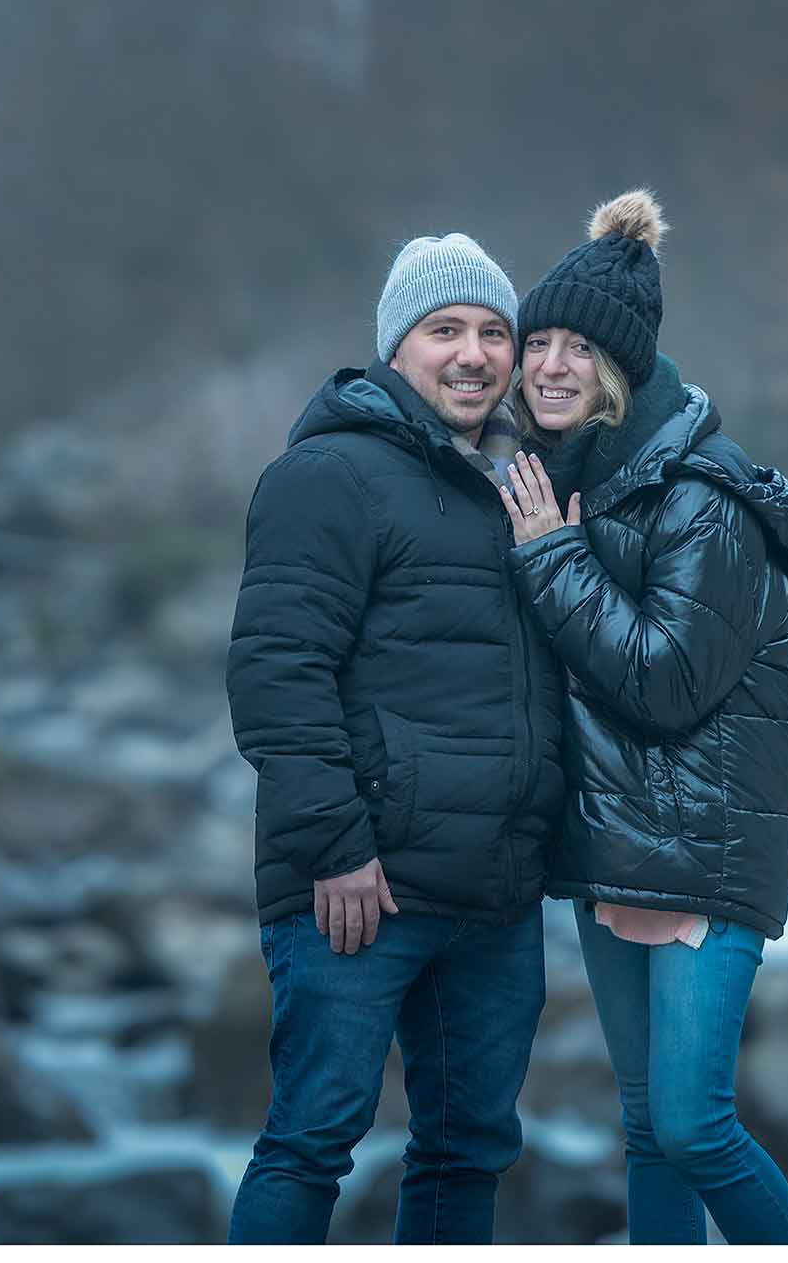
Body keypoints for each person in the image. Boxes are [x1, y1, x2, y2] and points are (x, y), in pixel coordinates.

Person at [224, 231, 566, 1244]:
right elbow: (276, 669)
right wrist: (337, 847)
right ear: (396, 346)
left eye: (493, 331)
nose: (472, 353)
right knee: (312, 1138)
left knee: (468, 1149)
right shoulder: (329, 474)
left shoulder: (519, 488)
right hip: (360, 888)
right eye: (444, 329)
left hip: (495, 894)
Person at [496, 190, 788, 1245]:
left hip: (704, 853)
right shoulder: (559, 479)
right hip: (615, 844)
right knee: (642, 1126)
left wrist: (550, 557)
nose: (548, 364)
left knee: (693, 1122)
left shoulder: (699, 496)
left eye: (577, 348)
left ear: (620, 370)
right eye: (537, 340)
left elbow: (667, 680)